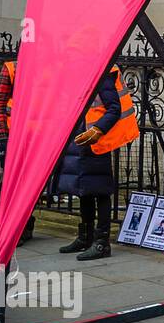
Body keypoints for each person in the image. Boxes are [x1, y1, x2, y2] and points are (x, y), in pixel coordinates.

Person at [54, 62, 140, 261]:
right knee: (83, 188)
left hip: (96, 140)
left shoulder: (102, 69)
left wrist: (98, 130)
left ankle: (101, 242)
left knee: (100, 190)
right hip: (80, 136)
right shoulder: (77, 69)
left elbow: (114, 108)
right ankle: (86, 237)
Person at [0, 59, 38, 245]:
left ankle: (22, 226)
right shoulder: (12, 68)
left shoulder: (49, 67)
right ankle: (10, 231)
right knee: (11, 185)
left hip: (37, 136)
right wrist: (2, 139)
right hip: (14, 137)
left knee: (29, 185)